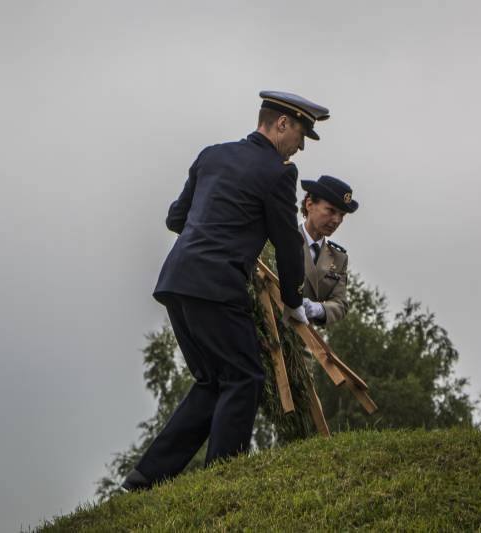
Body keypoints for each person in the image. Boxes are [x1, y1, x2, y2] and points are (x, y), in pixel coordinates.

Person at [123, 91, 330, 491]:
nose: (301, 146)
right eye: (301, 134)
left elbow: (176, 218)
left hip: (176, 281)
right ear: (281, 123)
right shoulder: (279, 173)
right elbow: (288, 244)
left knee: (213, 380)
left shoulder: (212, 155)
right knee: (244, 377)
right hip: (216, 286)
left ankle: (146, 475)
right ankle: (221, 478)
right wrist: (293, 303)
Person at [298, 176, 359, 326]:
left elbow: (340, 303)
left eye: (342, 215)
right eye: (331, 210)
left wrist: (318, 309)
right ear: (309, 204)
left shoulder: (339, 259)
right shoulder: (280, 240)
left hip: (303, 335)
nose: (337, 220)